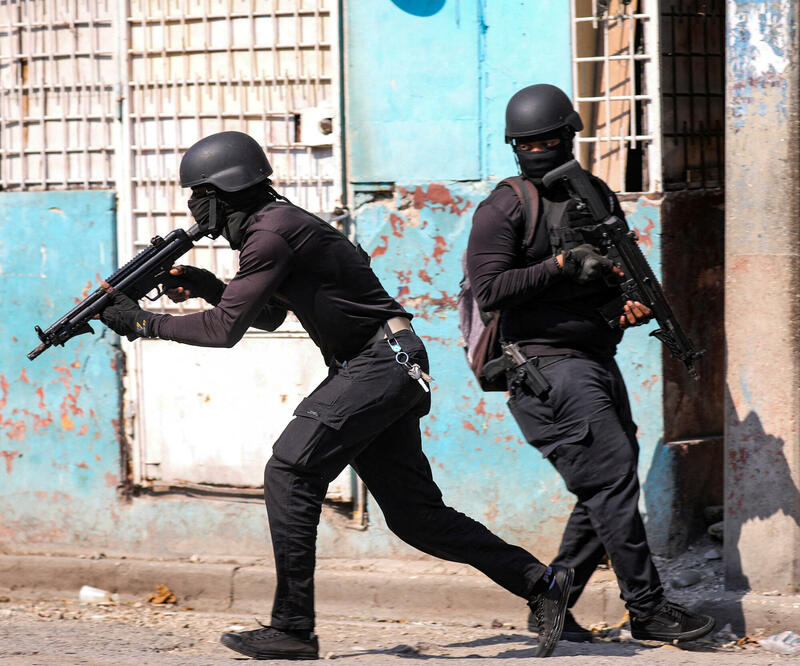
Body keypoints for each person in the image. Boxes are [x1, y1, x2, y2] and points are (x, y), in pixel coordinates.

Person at [97, 130, 575, 660]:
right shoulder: (277, 224)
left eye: (197, 198)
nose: (195, 212)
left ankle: (293, 627)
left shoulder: (271, 234)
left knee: (290, 471)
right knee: (416, 518)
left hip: (382, 363)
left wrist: (142, 321)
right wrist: (210, 284)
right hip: (387, 362)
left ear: (218, 195)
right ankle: (540, 583)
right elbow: (272, 314)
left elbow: (223, 330)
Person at [465, 84, 716, 643]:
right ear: (513, 146)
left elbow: (609, 281)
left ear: (570, 136)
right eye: (529, 143)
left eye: (549, 139)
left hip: (593, 357)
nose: (540, 149)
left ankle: (552, 600)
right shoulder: (505, 206)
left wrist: (620, 308)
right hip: (542, 365)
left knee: (609, 478)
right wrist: (559, 264)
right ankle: (647, 608)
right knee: (610, 479)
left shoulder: (594, 196)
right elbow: (490, 290)